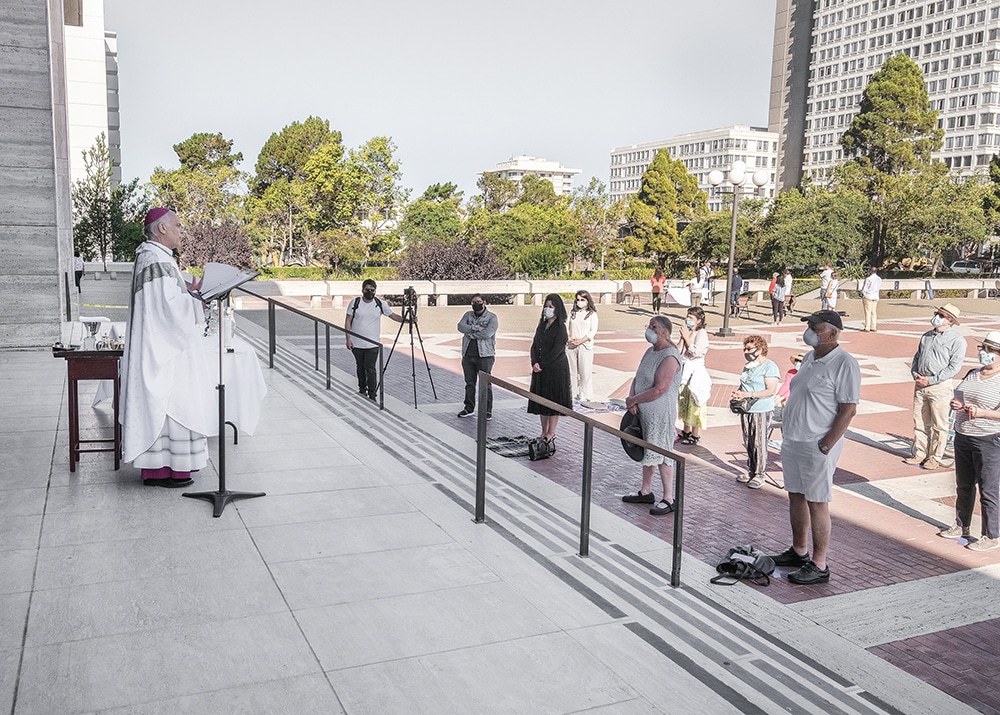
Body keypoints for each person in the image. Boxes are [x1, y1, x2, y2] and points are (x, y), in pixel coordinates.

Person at [120, 208, 215, 488]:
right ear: (161, 229)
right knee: (172, 403)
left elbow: (165, 302)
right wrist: (198, 300)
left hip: (160, 345)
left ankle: (167, 468)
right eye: (177, 225)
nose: (180, 230)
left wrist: (191, 294)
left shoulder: (155, 258)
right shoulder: (155, 260)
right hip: (164, 352)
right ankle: (165, 470)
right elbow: (168, 310)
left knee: (172, 404)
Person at [772, 309, 861, 585]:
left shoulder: (845, 364)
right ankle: (799, 551)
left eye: (815, 327)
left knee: (817, 502)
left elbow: (848, 410)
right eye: (809, 325)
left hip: (817, 444)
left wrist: (826, 445)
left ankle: (819, 564)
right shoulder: (810, 357)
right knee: (795, 495)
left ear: (832, 333)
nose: (809, 331)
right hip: (795, 441)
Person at [940, 331, 1000, 551]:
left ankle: (991, 535)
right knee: (964, 484)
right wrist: (955, 403)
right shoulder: (972, 373)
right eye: (982, 349)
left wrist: (983, 412)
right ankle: (961, 525)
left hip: (989, 438)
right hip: (964, 435)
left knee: (988, 488)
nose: (984, 354)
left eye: (990, 350)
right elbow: (960, 395)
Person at [621, 316, 682, 516]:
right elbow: (638, 377)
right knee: (646, 451)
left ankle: (668, 498)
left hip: (660, 413)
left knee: (663, 452)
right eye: (649, 326)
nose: (649, 330)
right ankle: (646, 491)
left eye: (653, 327)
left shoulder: (670, 356)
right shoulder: (650, 351)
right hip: (642, 411)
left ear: (664, 331)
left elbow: (660, 388)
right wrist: (632, 397)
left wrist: (636, 399)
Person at [906, 303, 967, 470]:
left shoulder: (957, 340)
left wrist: (931, 380)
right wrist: (915, 373)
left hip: (939, 386)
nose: (937, 317)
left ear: (950, 320)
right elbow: (917, 356)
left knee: (939, 424)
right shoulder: (926, 336)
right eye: (936, 314)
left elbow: (954, 367)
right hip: (920, 384)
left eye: (941, 315)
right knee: (919, 420)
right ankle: (920, 452)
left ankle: (935, 456)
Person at [733, 335, 781, 489]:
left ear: (760, 349)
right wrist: (739, 395)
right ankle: (751, 470)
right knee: (748, 440)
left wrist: (748, 395)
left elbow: (771, 390)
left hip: (761, 408)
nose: (746, 352)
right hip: (746, 408)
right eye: (744, 349)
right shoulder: (748, 366)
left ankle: (760, 473)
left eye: (749, 349)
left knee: (759, 441)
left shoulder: (769, 366)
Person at [344, 279, 406, 400]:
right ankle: (362, 388)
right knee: (360, 367)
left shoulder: (380, 303)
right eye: (367, 290)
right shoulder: (355, 303)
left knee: (371, 368)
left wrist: (407, 320)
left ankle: (372, 393)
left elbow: (393, 316)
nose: (370, 292)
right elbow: (348, 321)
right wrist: (348, 338)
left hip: (373, 344)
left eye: (372, 290)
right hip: (357, 343)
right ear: (362, 290)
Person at [527, 294, 572, 450]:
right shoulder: (542, 325)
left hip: (555, 368)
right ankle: (543, 430)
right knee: (542, 399)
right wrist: (534, 362)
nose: (548, 309)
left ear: (558, 309)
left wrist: (543, 364)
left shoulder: (560, 327)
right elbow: (534, 345)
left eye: (551, 307)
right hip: (540, 368)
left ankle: (551, 432)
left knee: (553, 400)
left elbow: (558, 349)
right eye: (546, 306)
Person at [457, 293, 498, 419]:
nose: (476, 304)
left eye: (478, 301)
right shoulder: (467, 315)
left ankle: (487, 410)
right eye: (473, 302)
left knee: (486, 384)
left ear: (484, 302)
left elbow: (487, 333)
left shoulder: (492, 317)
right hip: (468, 355)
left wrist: (471, 334)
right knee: (470, 383)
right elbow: (460, 326)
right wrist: (475, 328)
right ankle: (468, 408)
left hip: (485, 355)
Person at [677, 306, 711, 446]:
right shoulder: (688, 332)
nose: (688, 320)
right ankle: (686, 430)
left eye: (691, 318)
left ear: (698, 320)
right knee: (684, 400)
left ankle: (695, 434)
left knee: (695, 402)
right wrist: (682, 337)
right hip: (685, 371)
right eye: (687, 316)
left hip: (696, 372)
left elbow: (696, 352)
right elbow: (678, 350)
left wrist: (687, 338)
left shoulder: (701, 333)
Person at [567, 290, 599, 403]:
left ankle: (585, 394)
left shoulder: (592, 314)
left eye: (582, 300)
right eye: (578, 300)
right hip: (571, 345)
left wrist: (581, 340)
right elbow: (567, 326)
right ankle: (571, 393)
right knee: (572, 371)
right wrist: (570, 337)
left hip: (585, 345)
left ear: (587, 300)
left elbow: (592, 331)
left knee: (585, 371)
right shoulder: (572, 313)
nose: (580, 302)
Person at [860, 265, 882, 332]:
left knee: (868, 312)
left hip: (868, 296)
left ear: (870, 271)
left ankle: (867, 327)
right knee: (873, 312)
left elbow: (865, 289)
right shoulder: (879, 279)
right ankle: (873, 326)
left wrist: (862, 293)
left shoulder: (868, 279)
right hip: (875, 296)